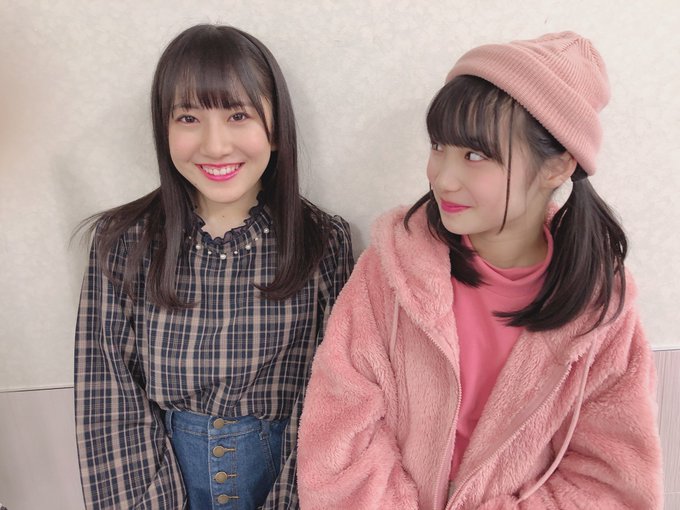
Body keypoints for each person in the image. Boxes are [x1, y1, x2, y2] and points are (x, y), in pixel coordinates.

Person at [297, 32, 662, 509]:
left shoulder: (600, 312)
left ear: (558, 166)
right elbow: (338, 441)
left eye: (475, 155)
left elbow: (613, 486)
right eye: (438, 146)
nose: (442, 177)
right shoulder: (390, 271)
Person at [74, 24, 353, 510]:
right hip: (161, 485)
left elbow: (334, 403)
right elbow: (108, 399)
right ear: (163, 130)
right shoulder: (123, 241)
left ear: (276, 128)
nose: (216, 145)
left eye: (238, 115)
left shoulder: (323, 241)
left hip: (290, 484)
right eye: (188, 117)